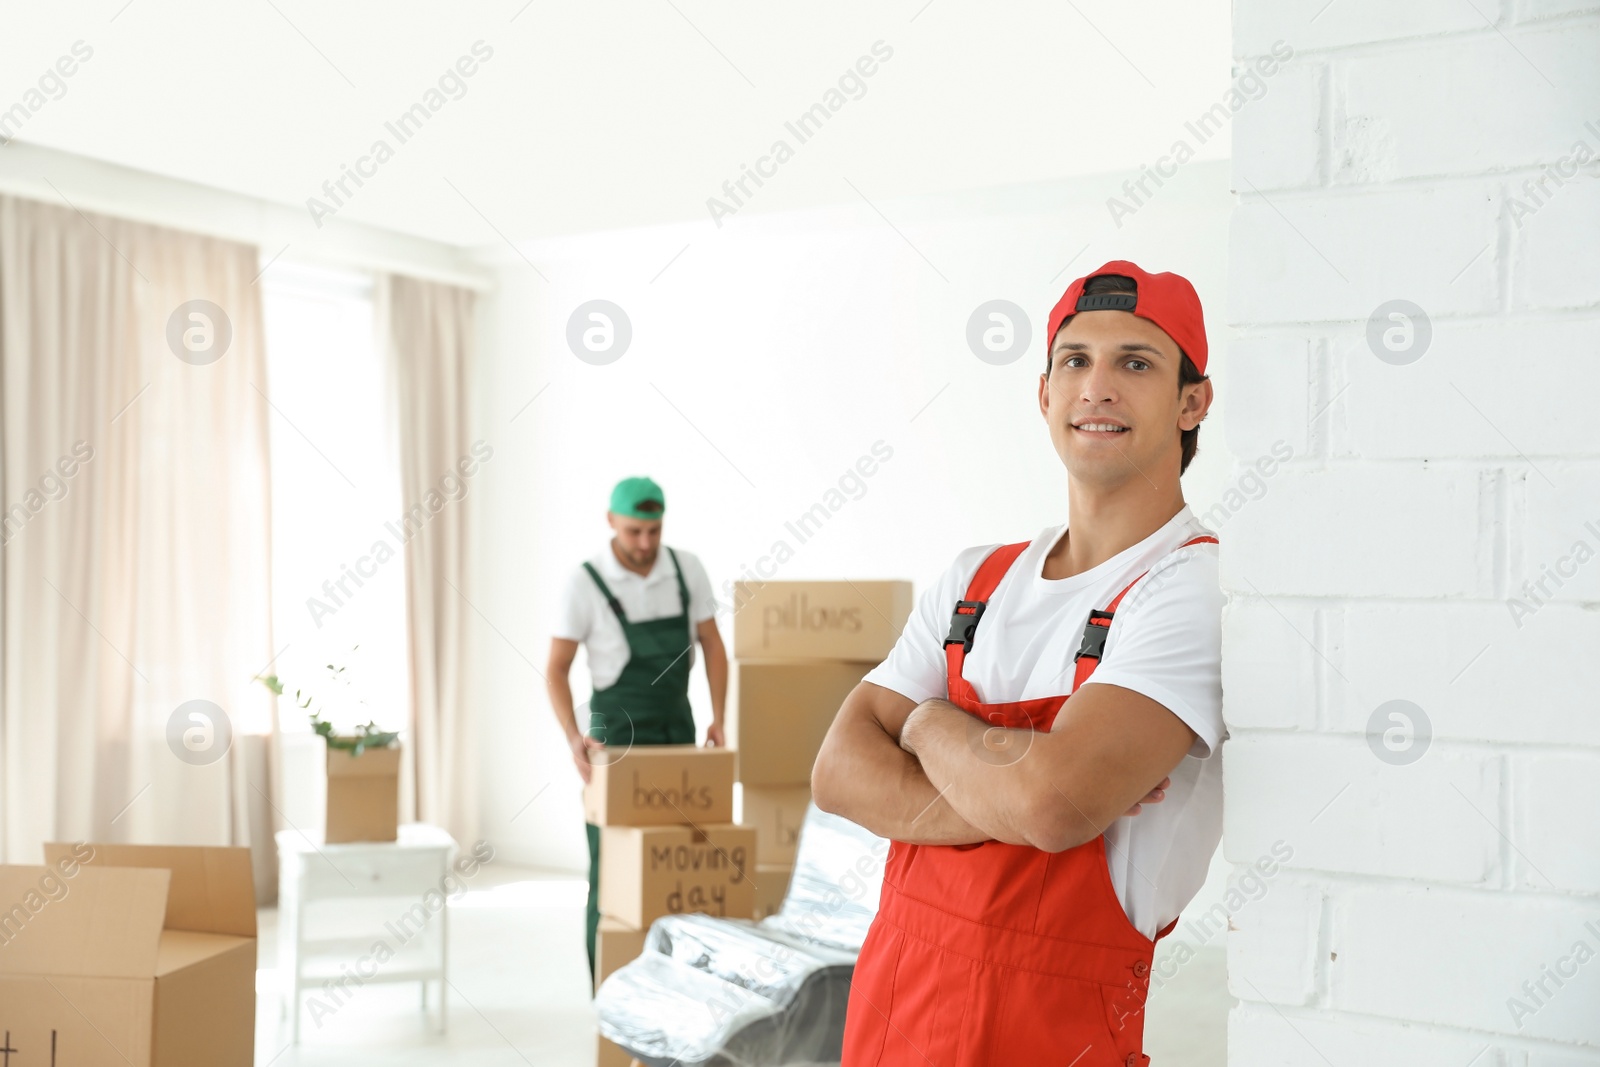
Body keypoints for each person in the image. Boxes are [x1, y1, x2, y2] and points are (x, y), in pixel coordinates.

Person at [814, 261, 1224, 1066]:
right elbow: (836, 770)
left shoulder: (1188, 588)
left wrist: (927, 722)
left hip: (1054, 1037)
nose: (1096, 386)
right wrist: (1011, 790)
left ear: (1191, 401)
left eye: (1135, 362)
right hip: (891, 1021)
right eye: (1075, 360)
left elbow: (1054, 803)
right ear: (1044, 395)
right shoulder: (976, 579)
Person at [546, 475, 727, 986]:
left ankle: (674, 984)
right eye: (633, 533)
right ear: (611, 523)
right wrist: (572, 737)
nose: (645, 544)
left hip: (675, 726)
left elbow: (712, 644)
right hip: (613, 738)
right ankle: (606, 992)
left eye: (653, 531)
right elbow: (556, 667)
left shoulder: (685, 569)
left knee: (679, 861)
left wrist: (719, 717)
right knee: (610, 868)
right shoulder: (584, 582)